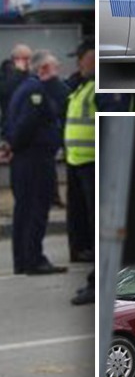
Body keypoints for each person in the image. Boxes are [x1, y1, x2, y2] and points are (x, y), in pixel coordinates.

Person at [6, 51, 68, 276]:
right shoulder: (35, 91)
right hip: (34, 159)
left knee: (24, 211)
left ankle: (23, 260)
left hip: (26, 158)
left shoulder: (23, 88)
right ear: (43, 69)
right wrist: (16, 145)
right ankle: (34, 260)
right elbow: (26, 125)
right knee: (35, 210)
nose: (57, 73)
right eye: (54, 68)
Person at [63, 42, 95, 264]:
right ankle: (82, 250)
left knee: (93, 215)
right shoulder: (80, 86)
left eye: (80, 58)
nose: (77, 63)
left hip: (92, 161)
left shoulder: (94, 87)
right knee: (80, 213)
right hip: (76, 161)